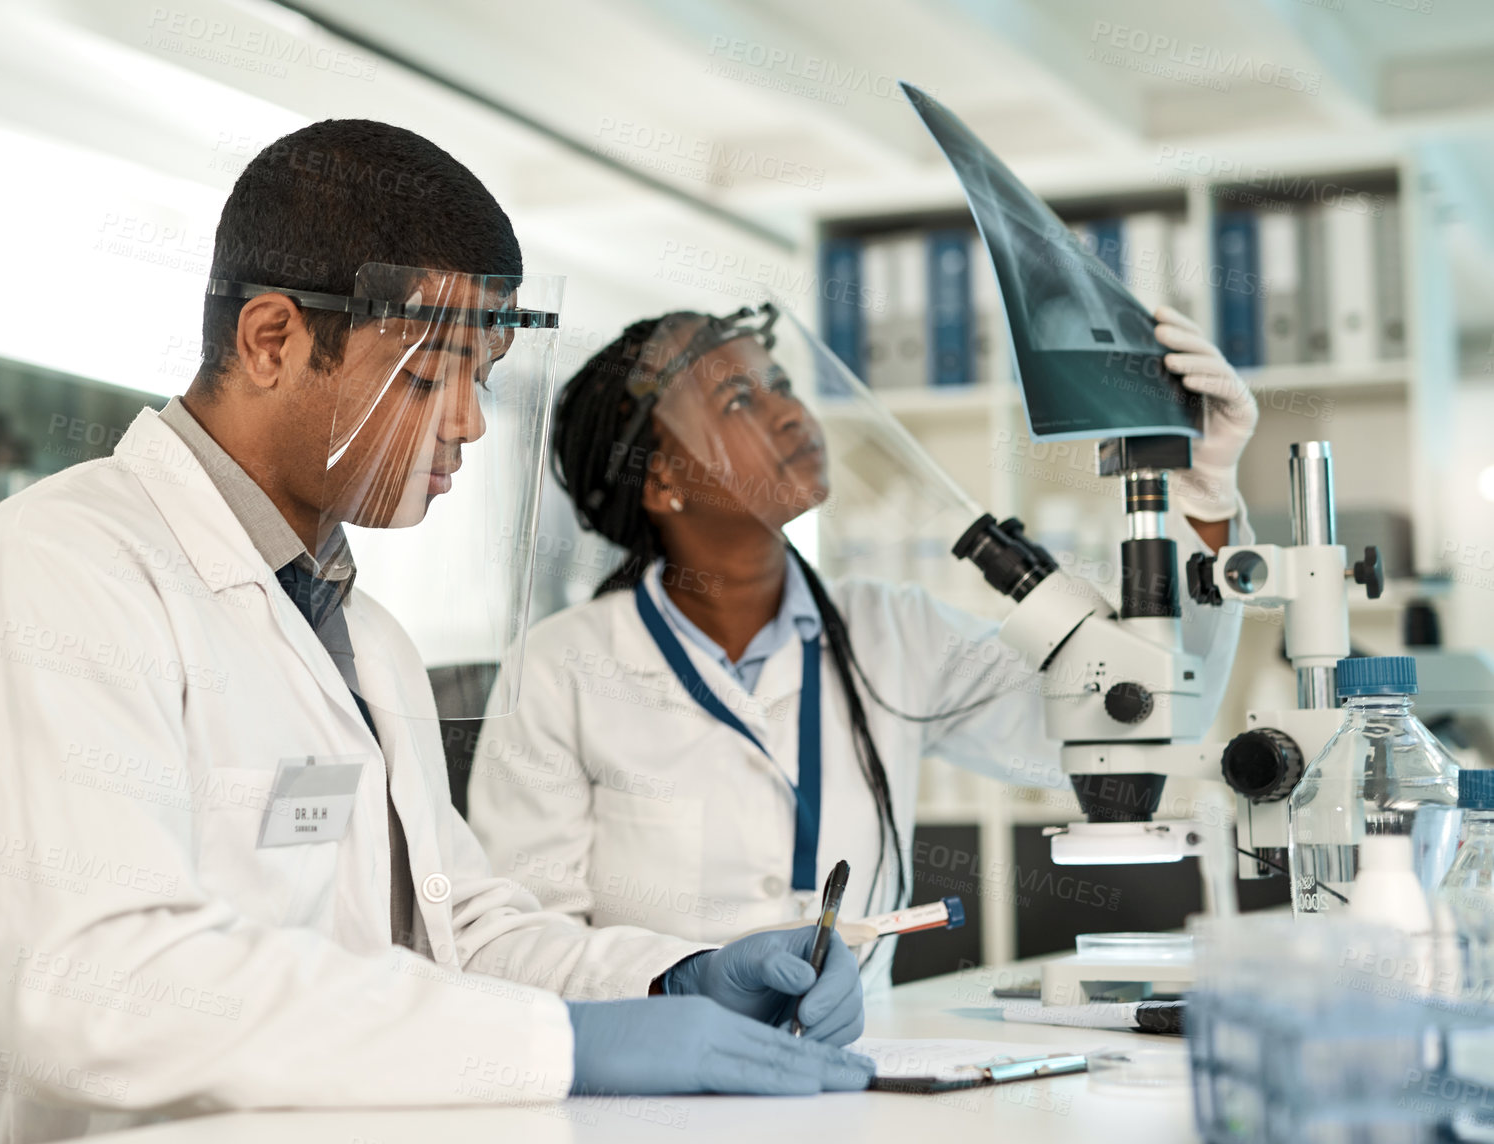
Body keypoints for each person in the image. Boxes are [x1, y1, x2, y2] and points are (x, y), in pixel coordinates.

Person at [0, 121, 873, 1144]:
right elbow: (101, 991)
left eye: (484, 377)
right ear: (273, 341)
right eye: (428, 376)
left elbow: (452, 926)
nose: (467, 421)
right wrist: (562, 1042)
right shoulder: (58, 577)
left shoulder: (362, 636)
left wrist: (663, 980)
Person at [468, 301, 1258, 986]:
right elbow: (523, 945)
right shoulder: (557, 669)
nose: (789, 414)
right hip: (648, 1089)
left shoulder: (896, 631)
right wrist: (681, 991)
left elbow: (1132, 719)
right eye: (739, 398)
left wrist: (1203, 492)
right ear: (661, 479)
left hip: (859, 1072)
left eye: (780, 385)